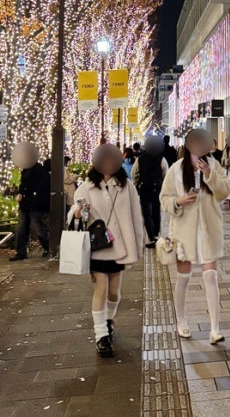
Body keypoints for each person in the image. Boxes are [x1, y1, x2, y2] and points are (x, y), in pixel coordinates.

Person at [70, 144, 144, 358]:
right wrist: (77, 212)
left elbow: (136, 217)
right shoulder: (86, 187)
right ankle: (101, 335)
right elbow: (75, 214)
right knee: (100, 289)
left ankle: (109, 322)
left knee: (114, 291)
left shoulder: (126, 185)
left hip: (119, 247)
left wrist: (137, 247)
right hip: (97, 246)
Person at [160, 130, 230, 345]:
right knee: (183, 278)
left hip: (209, 230)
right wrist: (179, 201)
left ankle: (215, 329)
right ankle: (181, 321)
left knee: (211, 276)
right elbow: (164, 198)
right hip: (183, 231)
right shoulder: (176, 169)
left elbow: (225, 192)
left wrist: (210, 173)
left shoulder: (214, 165)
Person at [10, 143, 50, 261]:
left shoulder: (39, 170)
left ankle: (48, 247)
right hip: (27, 203)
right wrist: (21, 193)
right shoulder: (26, 170)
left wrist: (30, 196)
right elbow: (23, 185)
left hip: (35, 204)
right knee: (23, 227)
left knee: (36, 226)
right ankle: (21, 252)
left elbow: (41, 187)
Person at [132, 136, 168, 246]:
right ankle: (156, 234)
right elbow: (166, 173)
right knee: (156, 211)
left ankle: (151, 237)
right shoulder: (161, 159)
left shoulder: (140, 159)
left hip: (144, 189)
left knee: (147, 213)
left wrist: (136, 184)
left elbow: (134, 174)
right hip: (157, 189)